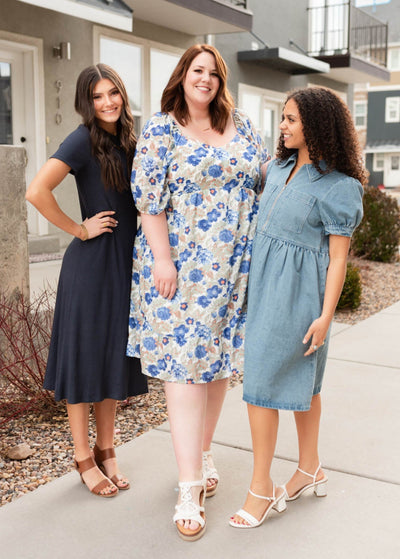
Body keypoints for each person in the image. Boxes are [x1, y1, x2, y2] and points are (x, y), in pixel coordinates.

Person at [127, 44, 268, 540]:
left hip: (234, 269)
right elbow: (148, 199)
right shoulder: (162, 128)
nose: (205, 79)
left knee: (216, 366)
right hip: (180, 268)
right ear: (183, 76)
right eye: (197, 70)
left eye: (213, 72)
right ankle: (188, 486)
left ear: (221, 80)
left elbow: (265, 177)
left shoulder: (245, 125)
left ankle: (203, 453)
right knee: (184, 371)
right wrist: (162, 259)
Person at [230, 87, 365, 528]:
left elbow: (339, 257)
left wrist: (327, 316)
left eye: (290, 119)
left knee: (264, 384)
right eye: (282, 118)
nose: (282, 126)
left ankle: (260, 488)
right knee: (304, 386)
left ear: (317, 125)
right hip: (265, 288)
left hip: (300, 296)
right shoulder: (276, 167)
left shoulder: (341, 187)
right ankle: (310, 469)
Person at [26, 64, 147, 498]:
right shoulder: (81, 140)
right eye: (97, 96)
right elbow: (36, 190)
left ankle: (106, 448)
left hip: (125, 266)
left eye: (112, 92)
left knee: (113, 356)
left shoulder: (131, 140)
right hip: (91, 267)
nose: (107, 102)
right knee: (83, 360)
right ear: (86, 102)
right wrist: (78, 229)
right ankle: (82, 457)